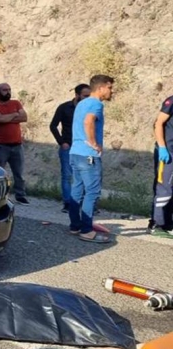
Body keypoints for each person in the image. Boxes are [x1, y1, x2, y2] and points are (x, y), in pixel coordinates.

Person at [68, 74, 115, 244]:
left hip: (75, 153)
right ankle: (86, 230)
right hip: (88, 155)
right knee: (92, 192)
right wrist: (94, 143)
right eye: (109, 87)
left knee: (77, 190)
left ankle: (75, 226)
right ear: (101, 88)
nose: (111, 91)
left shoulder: (82, 103)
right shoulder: (96, 103)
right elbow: (89, 122)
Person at [50, 84, 91, 213]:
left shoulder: (90, 109)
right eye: (85, 95)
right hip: (68, 146)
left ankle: (86, 203)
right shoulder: (64, 108)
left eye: (88, 96)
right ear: (77, 95)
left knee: (85, 175)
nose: (87, 98)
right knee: (67, 175)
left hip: (84, 147)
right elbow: (53, 125)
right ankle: (68, 202)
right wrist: (61, 142)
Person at [0, 83, 29, 205]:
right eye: (5, 90)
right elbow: (0, 120)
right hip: (1, 146)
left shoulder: (16, 103)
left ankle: (20, 195)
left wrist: (8, 117)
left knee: (19, 173)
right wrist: (15, 115)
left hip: (17, 145)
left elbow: (24, 117)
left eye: (9, 89)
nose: (8, 92)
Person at [149, 94, 173, 238]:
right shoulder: (172, 101)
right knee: (164, 188)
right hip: (168, 152)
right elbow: (158, 123)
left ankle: (167, 223)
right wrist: (162, 147)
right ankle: (156, 224)